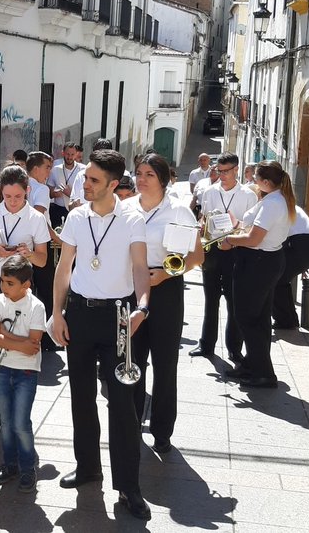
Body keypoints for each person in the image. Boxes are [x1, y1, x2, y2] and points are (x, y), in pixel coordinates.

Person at [50, 149, 152, 520]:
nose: (85, 183)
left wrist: (142, 306)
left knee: (123, 405)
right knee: (81, 396)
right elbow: (64, 268)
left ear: (113, 184)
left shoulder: (131, 218)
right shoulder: (76, 217)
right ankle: (88, 466)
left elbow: (140, 267)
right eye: (86, 177)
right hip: (79, 313)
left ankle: (129, 487)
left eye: (93, 179)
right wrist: (56, 314)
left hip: (119, 317)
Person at [122, 153, 203, 454]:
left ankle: (162, 430)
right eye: (138, 173)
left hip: (165, 289)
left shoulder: (179, 211)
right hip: (131, 287)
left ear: (163, 179)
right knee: (131, 360)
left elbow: (195, 257)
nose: (140, 179)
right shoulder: (126, 208)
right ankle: (130, 424)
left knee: (165, 363)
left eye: (148, 175)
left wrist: (166, 274)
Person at [0, 165, 49, 430]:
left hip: (21, 290)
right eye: (7, 197)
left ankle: (14, 409)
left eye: (18, 196)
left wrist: (28, 254)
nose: (13, 202)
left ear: (27, 191)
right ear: (0, 193)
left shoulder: (36, 218)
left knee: (17, 347)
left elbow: (43, 259)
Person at [218, 160, 295, 388]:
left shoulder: (273, 203)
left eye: (255, 179)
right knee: (258, 317)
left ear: (265, 182)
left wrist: (229, 240)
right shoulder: (277, 199)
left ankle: (262, 373)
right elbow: (253, 229)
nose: (252, 182)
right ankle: (253, 365)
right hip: (265, 261)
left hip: (258, 262)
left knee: (247, 318)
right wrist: (236, 224)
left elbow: (254, 239)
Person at [0, 255, 47, 492]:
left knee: (21, 423)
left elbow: (34, 343)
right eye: (2, 281)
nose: (4, 287)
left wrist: (5, 333)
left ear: (26, 285)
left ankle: (27, 467)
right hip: (2, 368)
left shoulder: (36, 307)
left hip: (26, 372)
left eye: (9, 283)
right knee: (5, 421)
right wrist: (17, 342)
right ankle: (9, 464)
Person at [189, 152, 256, 360]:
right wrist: (201, 228)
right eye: (219, 171)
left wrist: (235, 229)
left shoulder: (248, 195)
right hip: (213, 249)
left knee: (233, 301)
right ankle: (206, 345)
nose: (222, 175)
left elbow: (251, 226)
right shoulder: (209, 192)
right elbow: (204, 217)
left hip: (236, 251)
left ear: (237, 169)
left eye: (226, 171)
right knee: (210, 300)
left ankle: (234, 349)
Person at [25, 151, 58, 352]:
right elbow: (39, 217)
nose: (49, 172)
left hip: (20, 245)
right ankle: (46, 338)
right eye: (47, 167)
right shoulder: (42, 189)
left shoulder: (21, 183)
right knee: (46, 292)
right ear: (36, 168)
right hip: (38, 245)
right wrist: (58, 238)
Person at [272, 205, 309, 330]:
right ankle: (289, 319)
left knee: (275, 279)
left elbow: (279, 238)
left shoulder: (278, 206)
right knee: (281, 280)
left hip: (302, 246)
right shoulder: (289, 205)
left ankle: (286, 320)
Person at [47, 143, 84, 228]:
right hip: (57, 210)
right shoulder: (56, 169)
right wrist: (54, 194)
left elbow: (85, 195)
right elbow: (49, 191)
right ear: (63, 153)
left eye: (72, 154)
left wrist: (70, 194)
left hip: (76, 209)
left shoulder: (82, 170)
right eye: (67, 154)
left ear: (76, 154)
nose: (70, 157)